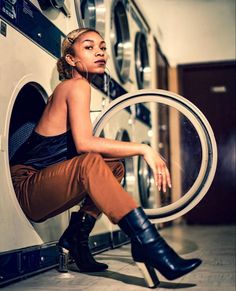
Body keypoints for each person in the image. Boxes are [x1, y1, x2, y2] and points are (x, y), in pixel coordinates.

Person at [10, 28, 201, 286]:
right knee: (91, 161)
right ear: (71, 59)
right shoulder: (75, 86)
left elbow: (86, 147)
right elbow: (85, 144)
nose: (100, 52)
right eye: (88, 47)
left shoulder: (76, 87)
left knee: (114, 167)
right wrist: (143, 148)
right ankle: (148, 245)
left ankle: (76, 240)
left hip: (42, 187)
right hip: (27, 187)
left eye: (102, 47)